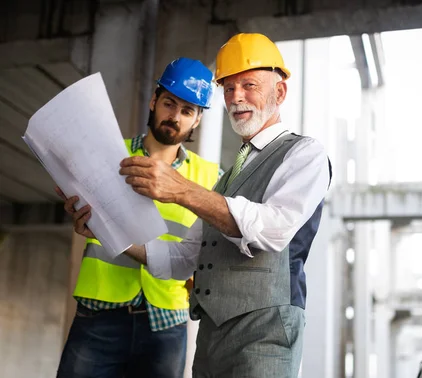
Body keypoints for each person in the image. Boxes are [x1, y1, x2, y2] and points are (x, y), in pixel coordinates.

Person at [66, 33, 331, 377]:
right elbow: (181, 260)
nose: (236, 98)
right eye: (229, 88)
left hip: (264, 335)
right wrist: (105, 229)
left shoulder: (304, 153)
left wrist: (182, 191)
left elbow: (274, 229)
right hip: (211, 337)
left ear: (279, 93)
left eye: (249, 85)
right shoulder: (228, 178)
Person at [56, 57, 220, 378]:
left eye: (187, 111)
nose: (175, 116)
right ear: (153, 100)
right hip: (99, 312)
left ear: (197, 120)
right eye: (169, 103)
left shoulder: (211, 177)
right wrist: (79, 218)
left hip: (166, 321)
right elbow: (83, 211)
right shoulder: (108, 154)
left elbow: (210, 252)